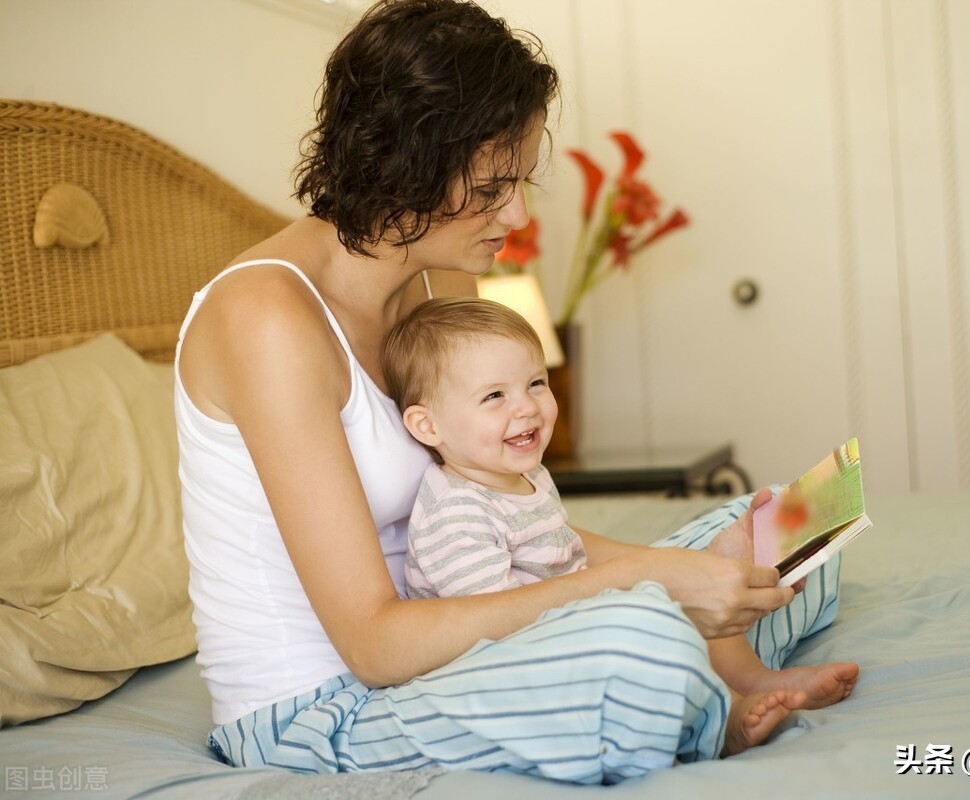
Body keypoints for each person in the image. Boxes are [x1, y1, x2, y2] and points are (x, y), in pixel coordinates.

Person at [174, 0, 856, 783]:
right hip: (331, 705)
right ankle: (685, 676)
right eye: (495, 186)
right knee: (643, 640)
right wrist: (652, 584)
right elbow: (373, 643)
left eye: (522, 181)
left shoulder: (439, 278)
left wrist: (698, 570)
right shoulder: (267, 317)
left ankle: (700, 662)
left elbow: (522, 526)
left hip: (461, 632)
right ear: (408, 163)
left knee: (781, 532)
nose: (519, 214)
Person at [381, 296, 856, 756]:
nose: (526, 407)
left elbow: (566, 552)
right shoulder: (454, 513)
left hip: (569, 612)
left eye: (536, 383)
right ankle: (721, 721)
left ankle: (756, 680)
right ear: (428, 427)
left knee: (771, 535)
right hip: (513, 657)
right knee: (662, 607)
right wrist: (638, 594)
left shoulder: (525, 475)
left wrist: (688, 565)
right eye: (494, 396)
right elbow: (501, 626)